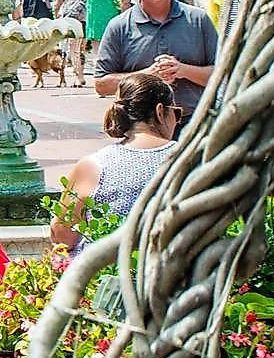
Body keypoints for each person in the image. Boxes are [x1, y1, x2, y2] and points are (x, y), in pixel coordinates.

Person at [51, 74, 181, 247]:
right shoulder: (190, 156)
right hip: (177, 267)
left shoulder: (94, 165)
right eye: (176, 113)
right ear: (160, 112)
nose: (177, 121)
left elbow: (62, 234)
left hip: (107, 269)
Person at [93, 0, 219, 113]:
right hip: (140, 127)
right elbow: (101, 84)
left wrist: (182, 70)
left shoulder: (198, 20)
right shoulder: (119, 26)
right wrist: (147, 76)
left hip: (193, 122)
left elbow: (221, 74)